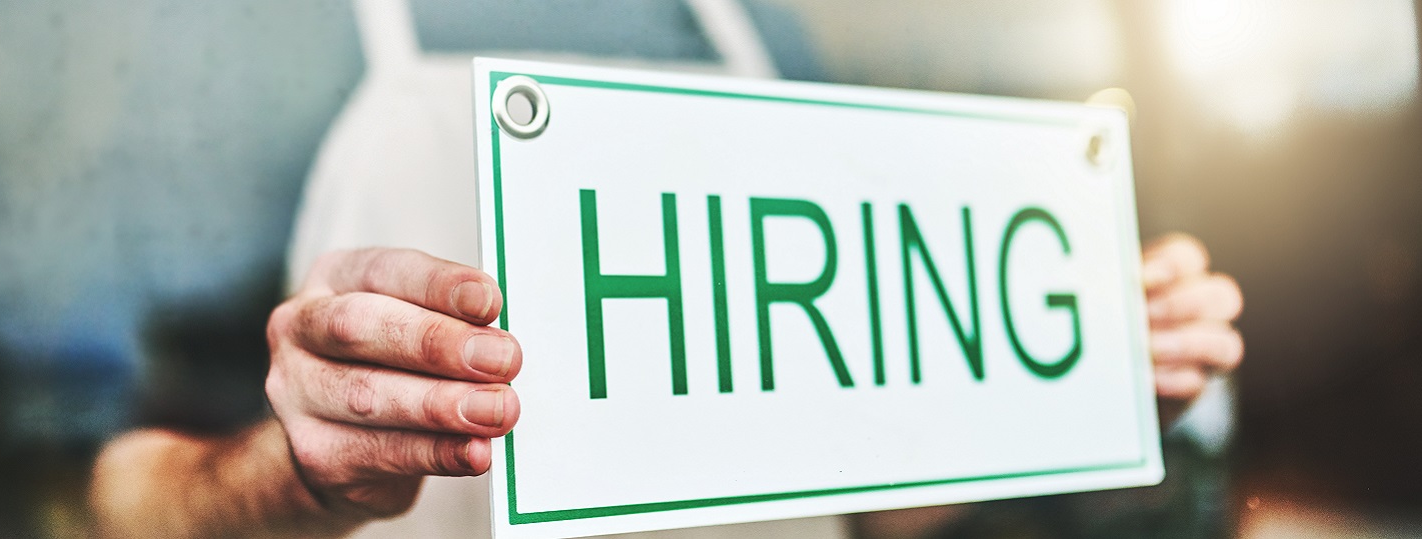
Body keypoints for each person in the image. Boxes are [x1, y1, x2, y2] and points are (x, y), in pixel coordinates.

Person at [90, 1, 1244, 537]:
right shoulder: (258, 35)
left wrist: (1062, 383)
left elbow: (863, 500)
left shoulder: (762, 33)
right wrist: (297, 464)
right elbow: (115, 489)